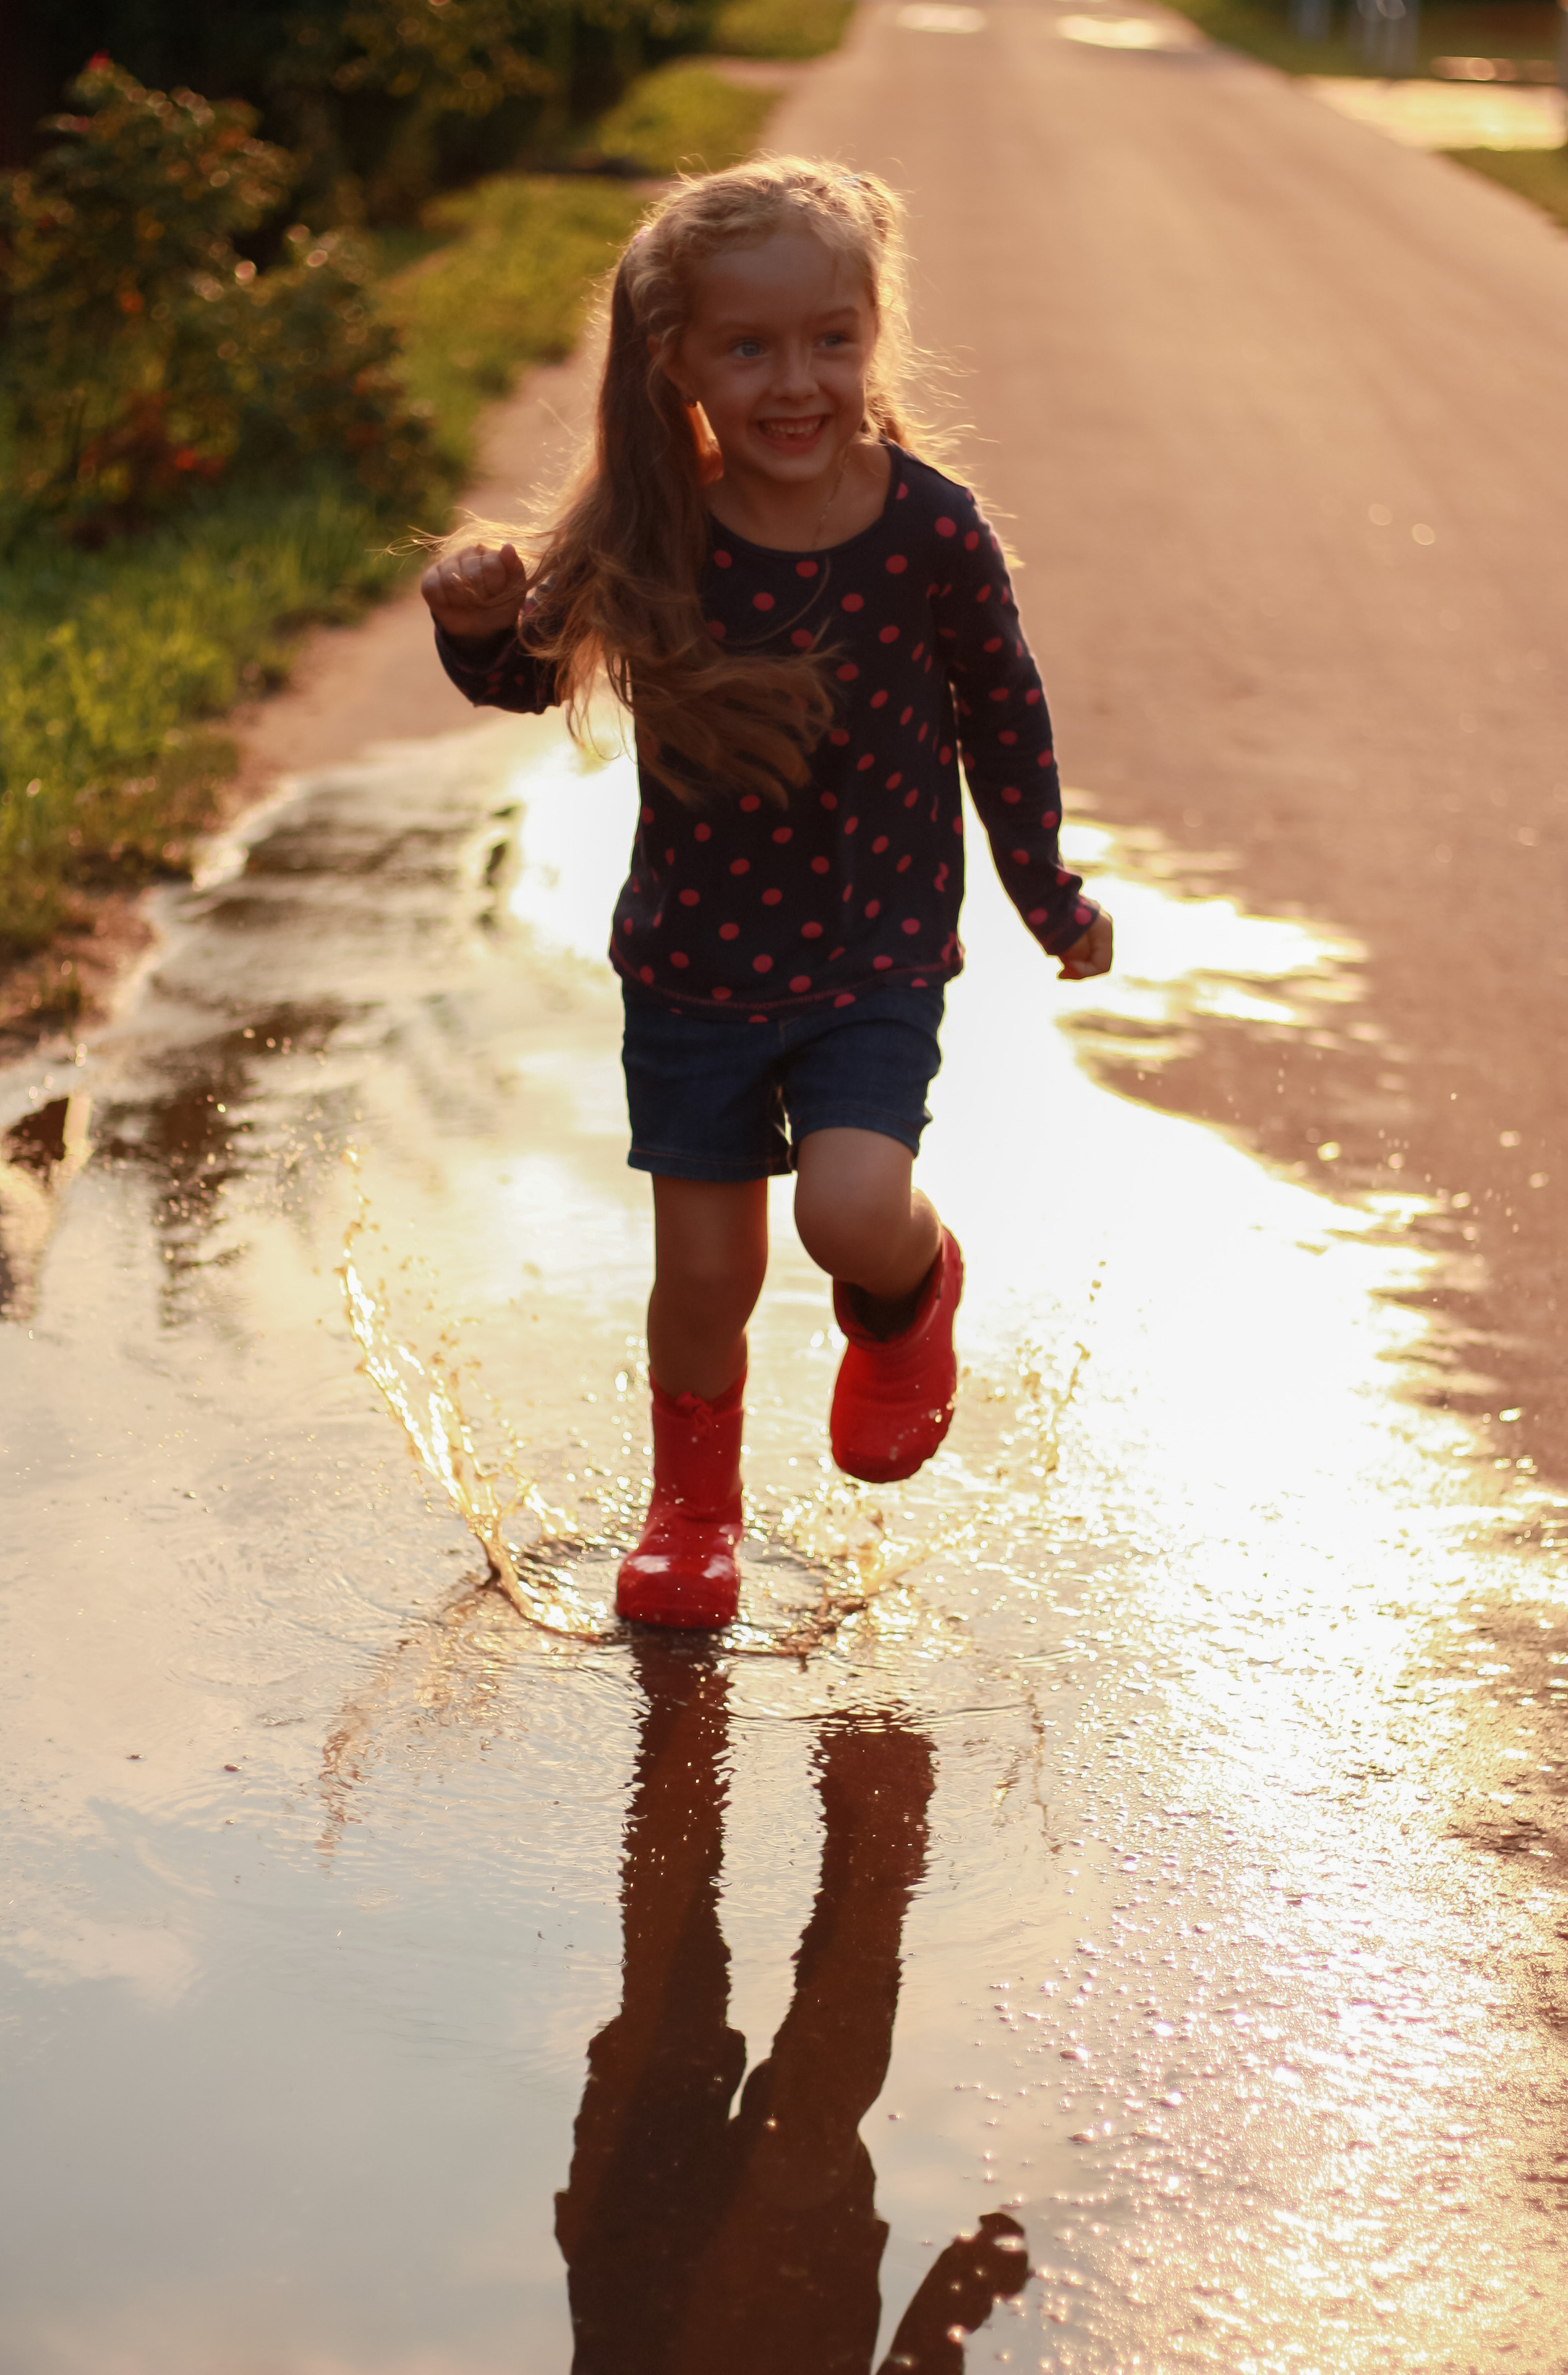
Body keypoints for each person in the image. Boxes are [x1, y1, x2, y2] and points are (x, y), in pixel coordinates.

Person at [422, 158, 1114, 1632]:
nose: (795, 383)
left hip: (872, 950)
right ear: (677, 362)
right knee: (704, 1271)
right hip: (693, 966)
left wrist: (1047, 895)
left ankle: (908, 1293)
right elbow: (528, 676)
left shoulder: (930, 532)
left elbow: (1004, 719)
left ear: (873, 334)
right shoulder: (654, 527)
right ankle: (691, 1516)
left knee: (850, 1209)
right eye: (748, 348)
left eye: (829, 340)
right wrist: (474, 623)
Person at [555, 1638, 1030, 2374]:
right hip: (769, 2284)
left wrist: (969, 2289)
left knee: (674, 2029)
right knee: (801, 2129)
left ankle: (681, 1712)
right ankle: (871, 1823)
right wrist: (963, 2293)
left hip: (638, 2269)